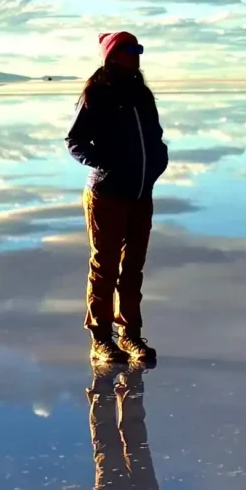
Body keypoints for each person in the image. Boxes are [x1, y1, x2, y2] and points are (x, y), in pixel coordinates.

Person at [65, 30, 169, 367]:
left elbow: (155, 136)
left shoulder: (142, 94)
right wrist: (107, 163)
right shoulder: (97, 93)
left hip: (140, 193)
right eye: (127, 48)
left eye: (138, 48)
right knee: (105, 267)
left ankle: (130, 335)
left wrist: (157, 162)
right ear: (111, 54)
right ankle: (100, 339)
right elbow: (76, 141)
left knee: (133, 268)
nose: (135, 54)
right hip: (107, 194)